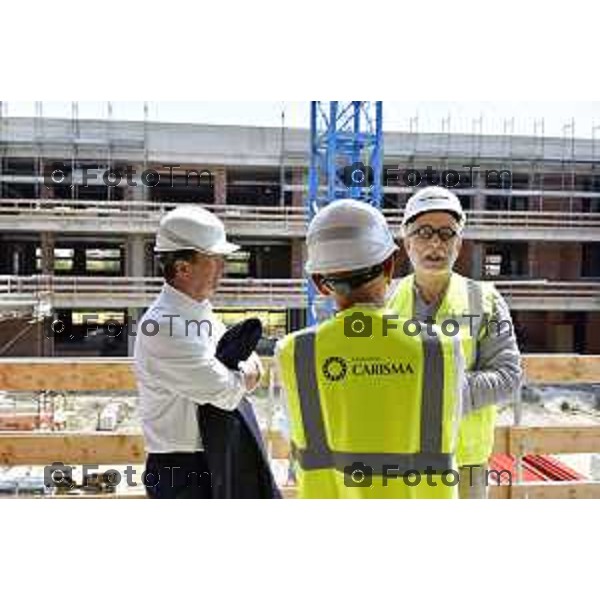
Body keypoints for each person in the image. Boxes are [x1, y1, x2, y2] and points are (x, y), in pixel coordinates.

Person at [275, 199, 465, 499]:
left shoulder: (294, 353)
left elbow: (291, 433)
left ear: (320, 283)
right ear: (390, 265)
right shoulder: (440, 347)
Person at [387, 186, 523, 499]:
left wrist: (439, 392)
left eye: (446, 234)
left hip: (466, 463)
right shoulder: (385, 301)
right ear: (407, 242)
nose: (435, 243)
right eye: (423, 232)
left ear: (459, 244)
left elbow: (510, 377)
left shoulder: (485, 300)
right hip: (397, 456)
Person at [133, 205, 262, 499]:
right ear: (182, 267)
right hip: (181, 468)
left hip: (213, 455)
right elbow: (225, 392)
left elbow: (242, 364)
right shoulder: (161, 326)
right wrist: (242, 378)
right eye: (214, 260)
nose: (223, 268)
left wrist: (236, 375)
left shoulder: (200, 314)